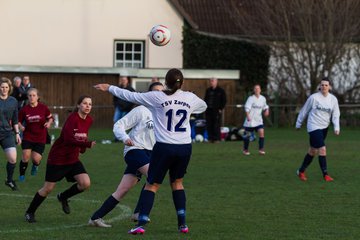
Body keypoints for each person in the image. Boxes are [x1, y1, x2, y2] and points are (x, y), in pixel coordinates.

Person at [94, 68, 207, 235]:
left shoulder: (156, 97)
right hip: (184, 148)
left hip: (163, 147)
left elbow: (130, 96)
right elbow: (203, 106)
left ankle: (141, 223)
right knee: (177, 183)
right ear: (181, 83)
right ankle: (182, 224)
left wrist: (110, 87)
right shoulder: (189, 97)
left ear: (166, 83)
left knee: (152, 184)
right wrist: (187, 101)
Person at [88, 82, 164, 228]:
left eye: (161, 91)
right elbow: (118, 125)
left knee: (122, 191)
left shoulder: (163, 112)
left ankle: (95, 218)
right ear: (148, 94)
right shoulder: (141, 110)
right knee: (153, 177)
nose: (158, 94)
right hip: (135, 150)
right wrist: (125, 138)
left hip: (151, 154)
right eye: (155, 91)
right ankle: (139, 213)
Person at [24, 95, 96, 223]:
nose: (87, 106)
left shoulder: (89, 120)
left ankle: (63, 197)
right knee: (47, 189)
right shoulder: (72, 119)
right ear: (78, 105)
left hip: (73, 158)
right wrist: (86, 145)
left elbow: (82, 136)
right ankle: (30, 212)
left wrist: (83, 147)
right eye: (85, 103)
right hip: (58, 158)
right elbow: (68, 139)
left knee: (85, 183)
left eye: (90, 104)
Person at [295, 77, 340, 182]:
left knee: (312, 151)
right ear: (319, 86)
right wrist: (298, 123)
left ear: (329, 87)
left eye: (326, 85)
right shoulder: (313, 98)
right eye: (322, 85)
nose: (324, 86)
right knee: (322, 149)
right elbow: (304, 111)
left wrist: (336, 127)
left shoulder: (333, 99)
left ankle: (301, 171)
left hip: (324, 127)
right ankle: (326, 175)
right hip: (313, 126)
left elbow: (336, 114)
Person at [18, 88, 53, 182]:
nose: (32, 97)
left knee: (36, 159)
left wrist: (49, 123)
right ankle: (21, 175)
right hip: (28, 136)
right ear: (27, 97)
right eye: (30, 95)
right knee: (25, 156)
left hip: (40, 137)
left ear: (37, 97)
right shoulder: (24, 109)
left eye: (34, 95)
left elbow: (50, 118)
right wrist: (20, 126)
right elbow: (18, 121)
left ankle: (35, 165)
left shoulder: (43, 108)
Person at [0, 77, 22, 190]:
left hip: (7, 134)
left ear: (9, 88)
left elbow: (15, 119)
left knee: (13, 159)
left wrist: (17, 133)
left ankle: (9, 180)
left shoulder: (13, 101)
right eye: (2, 87)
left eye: (6, 87)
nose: (4, 89)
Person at [242, 84, 269, 155]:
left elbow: (265, 106)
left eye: (258, 89)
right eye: (255, 89)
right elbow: (247, 108)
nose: (257, 90)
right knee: (247, 136)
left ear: (260, 90)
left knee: (261, 133)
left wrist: (266, 111)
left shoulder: (263, 98)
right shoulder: (251, 98)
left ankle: (261, 149)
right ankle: (245, 149)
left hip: (258, 121)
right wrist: (248, 116)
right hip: (250, 121)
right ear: (254, 90)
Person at [204, 78, 227, 143]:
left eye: (213, 81)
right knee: (209, 125)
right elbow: (205, 99)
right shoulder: (208, 90)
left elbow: (224, 100)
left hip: (216, 110)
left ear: (216, 82)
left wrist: (220, 109)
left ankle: (217, 139)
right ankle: (210, 138)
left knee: (216, 125)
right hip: (208, 110)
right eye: (211, 81)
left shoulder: (221, 91)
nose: (211, 82)